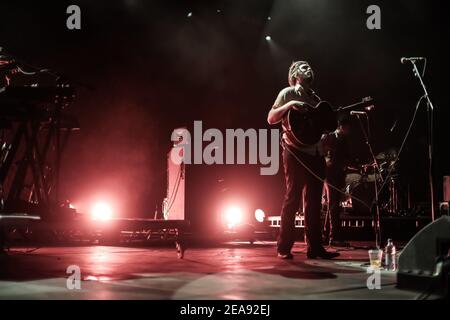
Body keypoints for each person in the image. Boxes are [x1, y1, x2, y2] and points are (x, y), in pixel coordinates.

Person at [267, 60, 339, 259]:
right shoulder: (287, 93)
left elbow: (319, 128)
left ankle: (315, 247)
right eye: (304, 67)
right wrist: (291, 104)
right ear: (295, 74)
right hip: (295, 151)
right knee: (293, 198)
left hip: (315, 153)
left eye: (310, 66)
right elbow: (271, 118)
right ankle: (284, 247)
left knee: (314, 202)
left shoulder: (316, 98)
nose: (309, 68)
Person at [322, 116, 352, 247]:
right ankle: (334, 237)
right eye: (347, 128)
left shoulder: (344, 141)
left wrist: (349, 164)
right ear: (340, 127)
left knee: (333, 206)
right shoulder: (329, 138)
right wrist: (326, 161)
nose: (348, 130)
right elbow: (321, 153)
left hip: (338, 175)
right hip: (329, 175)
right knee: (333, 205)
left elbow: (346, 158)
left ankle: (326, 235)